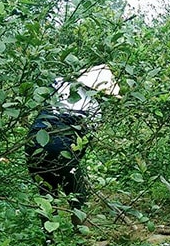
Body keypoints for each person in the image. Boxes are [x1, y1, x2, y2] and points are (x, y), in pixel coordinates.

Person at [25, 64, 121, 226]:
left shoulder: (58, 83)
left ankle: (49, 238)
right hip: (62, 147)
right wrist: (73, 164)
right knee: (77, 192)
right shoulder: (94, 108)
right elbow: (82, 143)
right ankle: (79, 234)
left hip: (34, 142)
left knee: (46, 192)